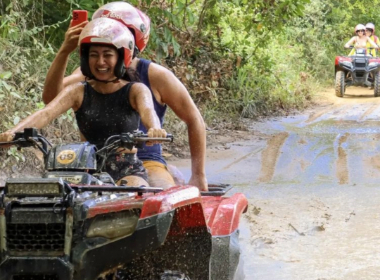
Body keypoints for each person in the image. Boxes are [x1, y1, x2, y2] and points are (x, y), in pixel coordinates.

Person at [42, 2, 208, 191]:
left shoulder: (156, 75)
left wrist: (198, 175)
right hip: (92, 162)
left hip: (146, 162)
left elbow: (194, 118)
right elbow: (51, 99)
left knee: (161, 198)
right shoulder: (88, 73)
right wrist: (64, 50)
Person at [0, 18, 167, 187]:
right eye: (94, 55)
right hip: (85, 169)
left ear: (122, 57)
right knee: (54, 197)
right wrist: (12, 133)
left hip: (127, 169)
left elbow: (148, 111)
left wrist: (155, 129)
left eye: (107, 55)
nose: (100, 61)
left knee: (135, 196)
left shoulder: (136, 90)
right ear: (86, 59)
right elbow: (47, 112)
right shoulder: (78, 91)